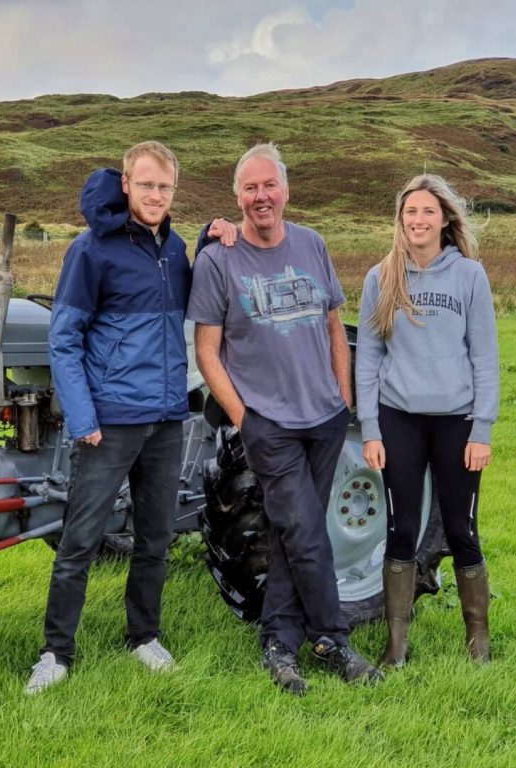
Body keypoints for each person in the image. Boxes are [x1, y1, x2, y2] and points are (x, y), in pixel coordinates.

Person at [188, 142, 382, 695]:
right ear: (237, 198)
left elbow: (332, 323)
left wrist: (341, 394)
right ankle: (332, 638)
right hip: (267, 422)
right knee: (303, 527)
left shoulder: (312, 244)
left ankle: (278, 642)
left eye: (268, 185)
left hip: (322, 416)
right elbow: (207, 351)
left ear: (286, 190)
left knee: (288, 529)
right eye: (249, 188)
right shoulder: (218, 260)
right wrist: (245, 417)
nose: (260, 197)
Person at [25, 141, 191, 694]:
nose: (155, 196)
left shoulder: (177, 249)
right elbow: (64, 338)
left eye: (164, 187)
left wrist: (218, 236)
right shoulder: (91, 251)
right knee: (80, 540)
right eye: (146, 185)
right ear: (126, 184)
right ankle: (55, 653)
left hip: (167, 418)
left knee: (155, 538)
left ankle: (144, 637)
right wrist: (82, 416)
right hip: (110, 420)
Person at [356, 174, 499, 666]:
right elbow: (368, 361)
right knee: (400, 528)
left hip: (456, 423)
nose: (417, 220)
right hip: (400, 421)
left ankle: (477, 641)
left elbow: (485, 357)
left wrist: (482, 429)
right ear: (400, 220)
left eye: (427, 212)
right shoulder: (382, 276)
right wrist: (371, 430)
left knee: (462, 528)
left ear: (444, 220)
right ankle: (397, 643)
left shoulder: (469, 277)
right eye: (410, 212)